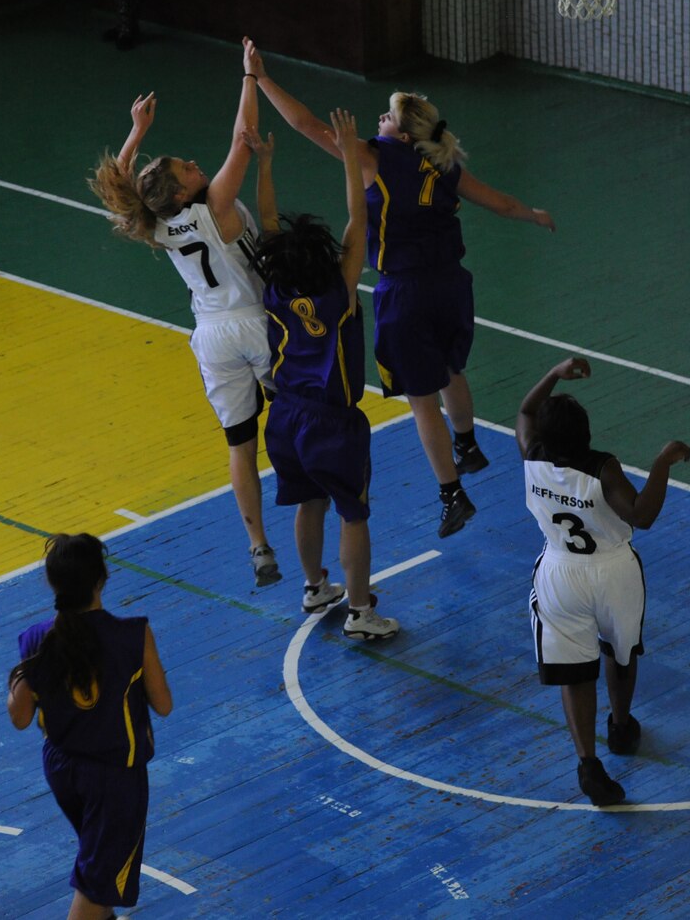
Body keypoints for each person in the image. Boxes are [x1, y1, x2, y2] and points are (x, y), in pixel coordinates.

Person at [246, 38, 557, 537]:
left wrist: (262, 79)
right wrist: (533, 214)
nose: (379, 121)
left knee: (420, 396)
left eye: (387, 117)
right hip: (453, 284)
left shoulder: (374, 158)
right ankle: (468, 442)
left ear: (404, 135)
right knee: (451, 367)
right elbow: (498, 202)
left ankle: (451, 493)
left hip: (405, 292)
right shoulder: (445, 162)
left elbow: (306, 125)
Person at [88, 81, 283, 591]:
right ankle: (317, 500)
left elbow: (120, 195)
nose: (198, 165)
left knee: (240, 445)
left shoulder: (156, 225)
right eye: (188, 169)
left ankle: (259, 546)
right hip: (255, 322)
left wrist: (136, 133)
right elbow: (244, 137)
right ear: (182, 192)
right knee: (299, 413)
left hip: (211, 336)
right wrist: (248, 77)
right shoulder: (215, 206)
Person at [247, 111, 398, 639]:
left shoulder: (275, 285)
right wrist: (351, 156)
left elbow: (269, 226)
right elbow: (359, 223)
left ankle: (315, 587)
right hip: (331, 422)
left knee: (307, 502)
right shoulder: (337, 295)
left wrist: (265, 165)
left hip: (284, 417)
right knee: (353, 514)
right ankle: (361, 612)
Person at [515, 356, 689, 806]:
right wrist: (662, 461)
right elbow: (642, 515)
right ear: (585, 434)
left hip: (559, 574)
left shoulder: (531, 456)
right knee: (621, 649)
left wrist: (552, 373)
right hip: (613, 571)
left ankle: (588, 763)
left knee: (575, 672)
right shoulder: (603, 468)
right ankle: (621, 727)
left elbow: (527, 412)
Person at [9, 533, 172, 920]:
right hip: (115, 777)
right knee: (96, 885)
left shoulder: (35, 639)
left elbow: (18, 718)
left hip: (62, 768)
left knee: (100, 867)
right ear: (102, 579)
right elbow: (164, 705)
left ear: (54, 584)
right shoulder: (133, 635)